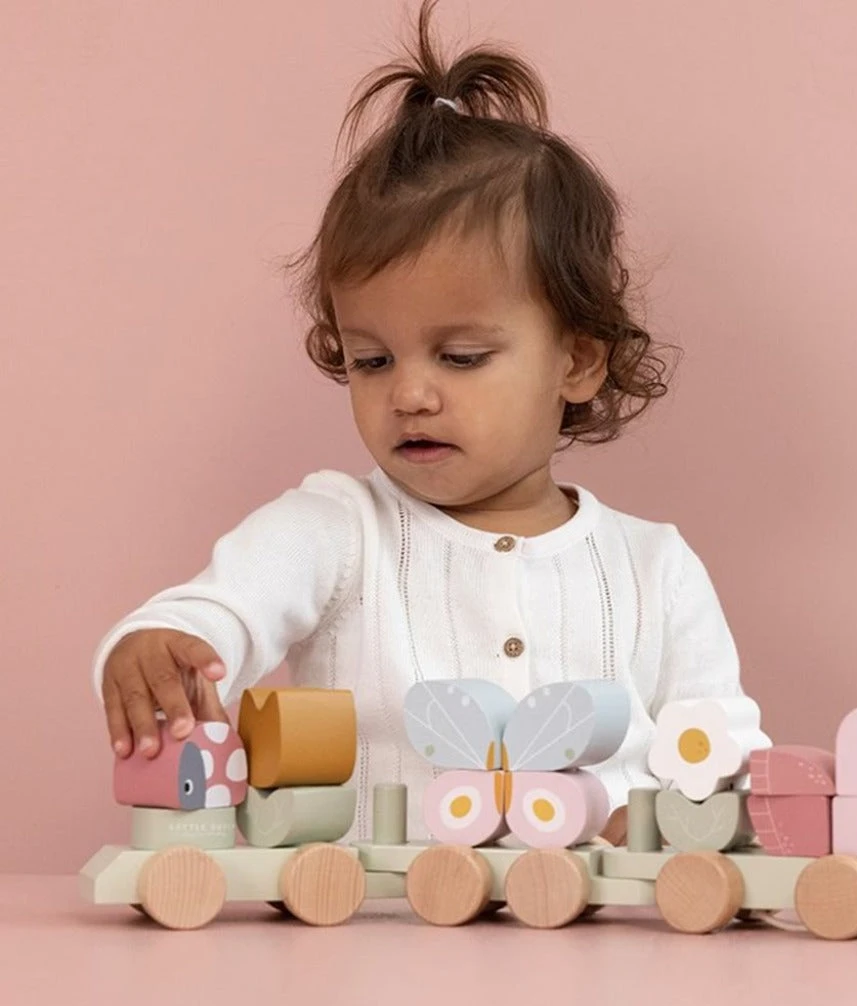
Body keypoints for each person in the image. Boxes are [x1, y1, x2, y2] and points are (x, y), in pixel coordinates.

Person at [91, 0, 745, 845]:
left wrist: (681, 823)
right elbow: (227, 610)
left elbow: (721, 747)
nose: (410, 394)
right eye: (371, 360)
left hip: (603, 943)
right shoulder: (336, 530)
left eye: (462, 358)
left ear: (577, 362)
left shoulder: (655, 568)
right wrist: (162, 638)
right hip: (368, 935)